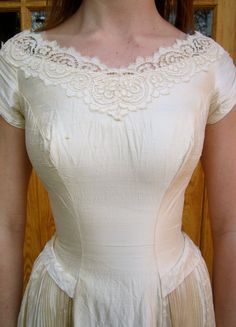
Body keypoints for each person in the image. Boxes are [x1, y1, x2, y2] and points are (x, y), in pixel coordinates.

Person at [0, 0, 236, 326]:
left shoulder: (208, 65)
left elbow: (230, 227)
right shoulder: (21, 62)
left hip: (174, 304)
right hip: (59, 303)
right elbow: (5, 225)